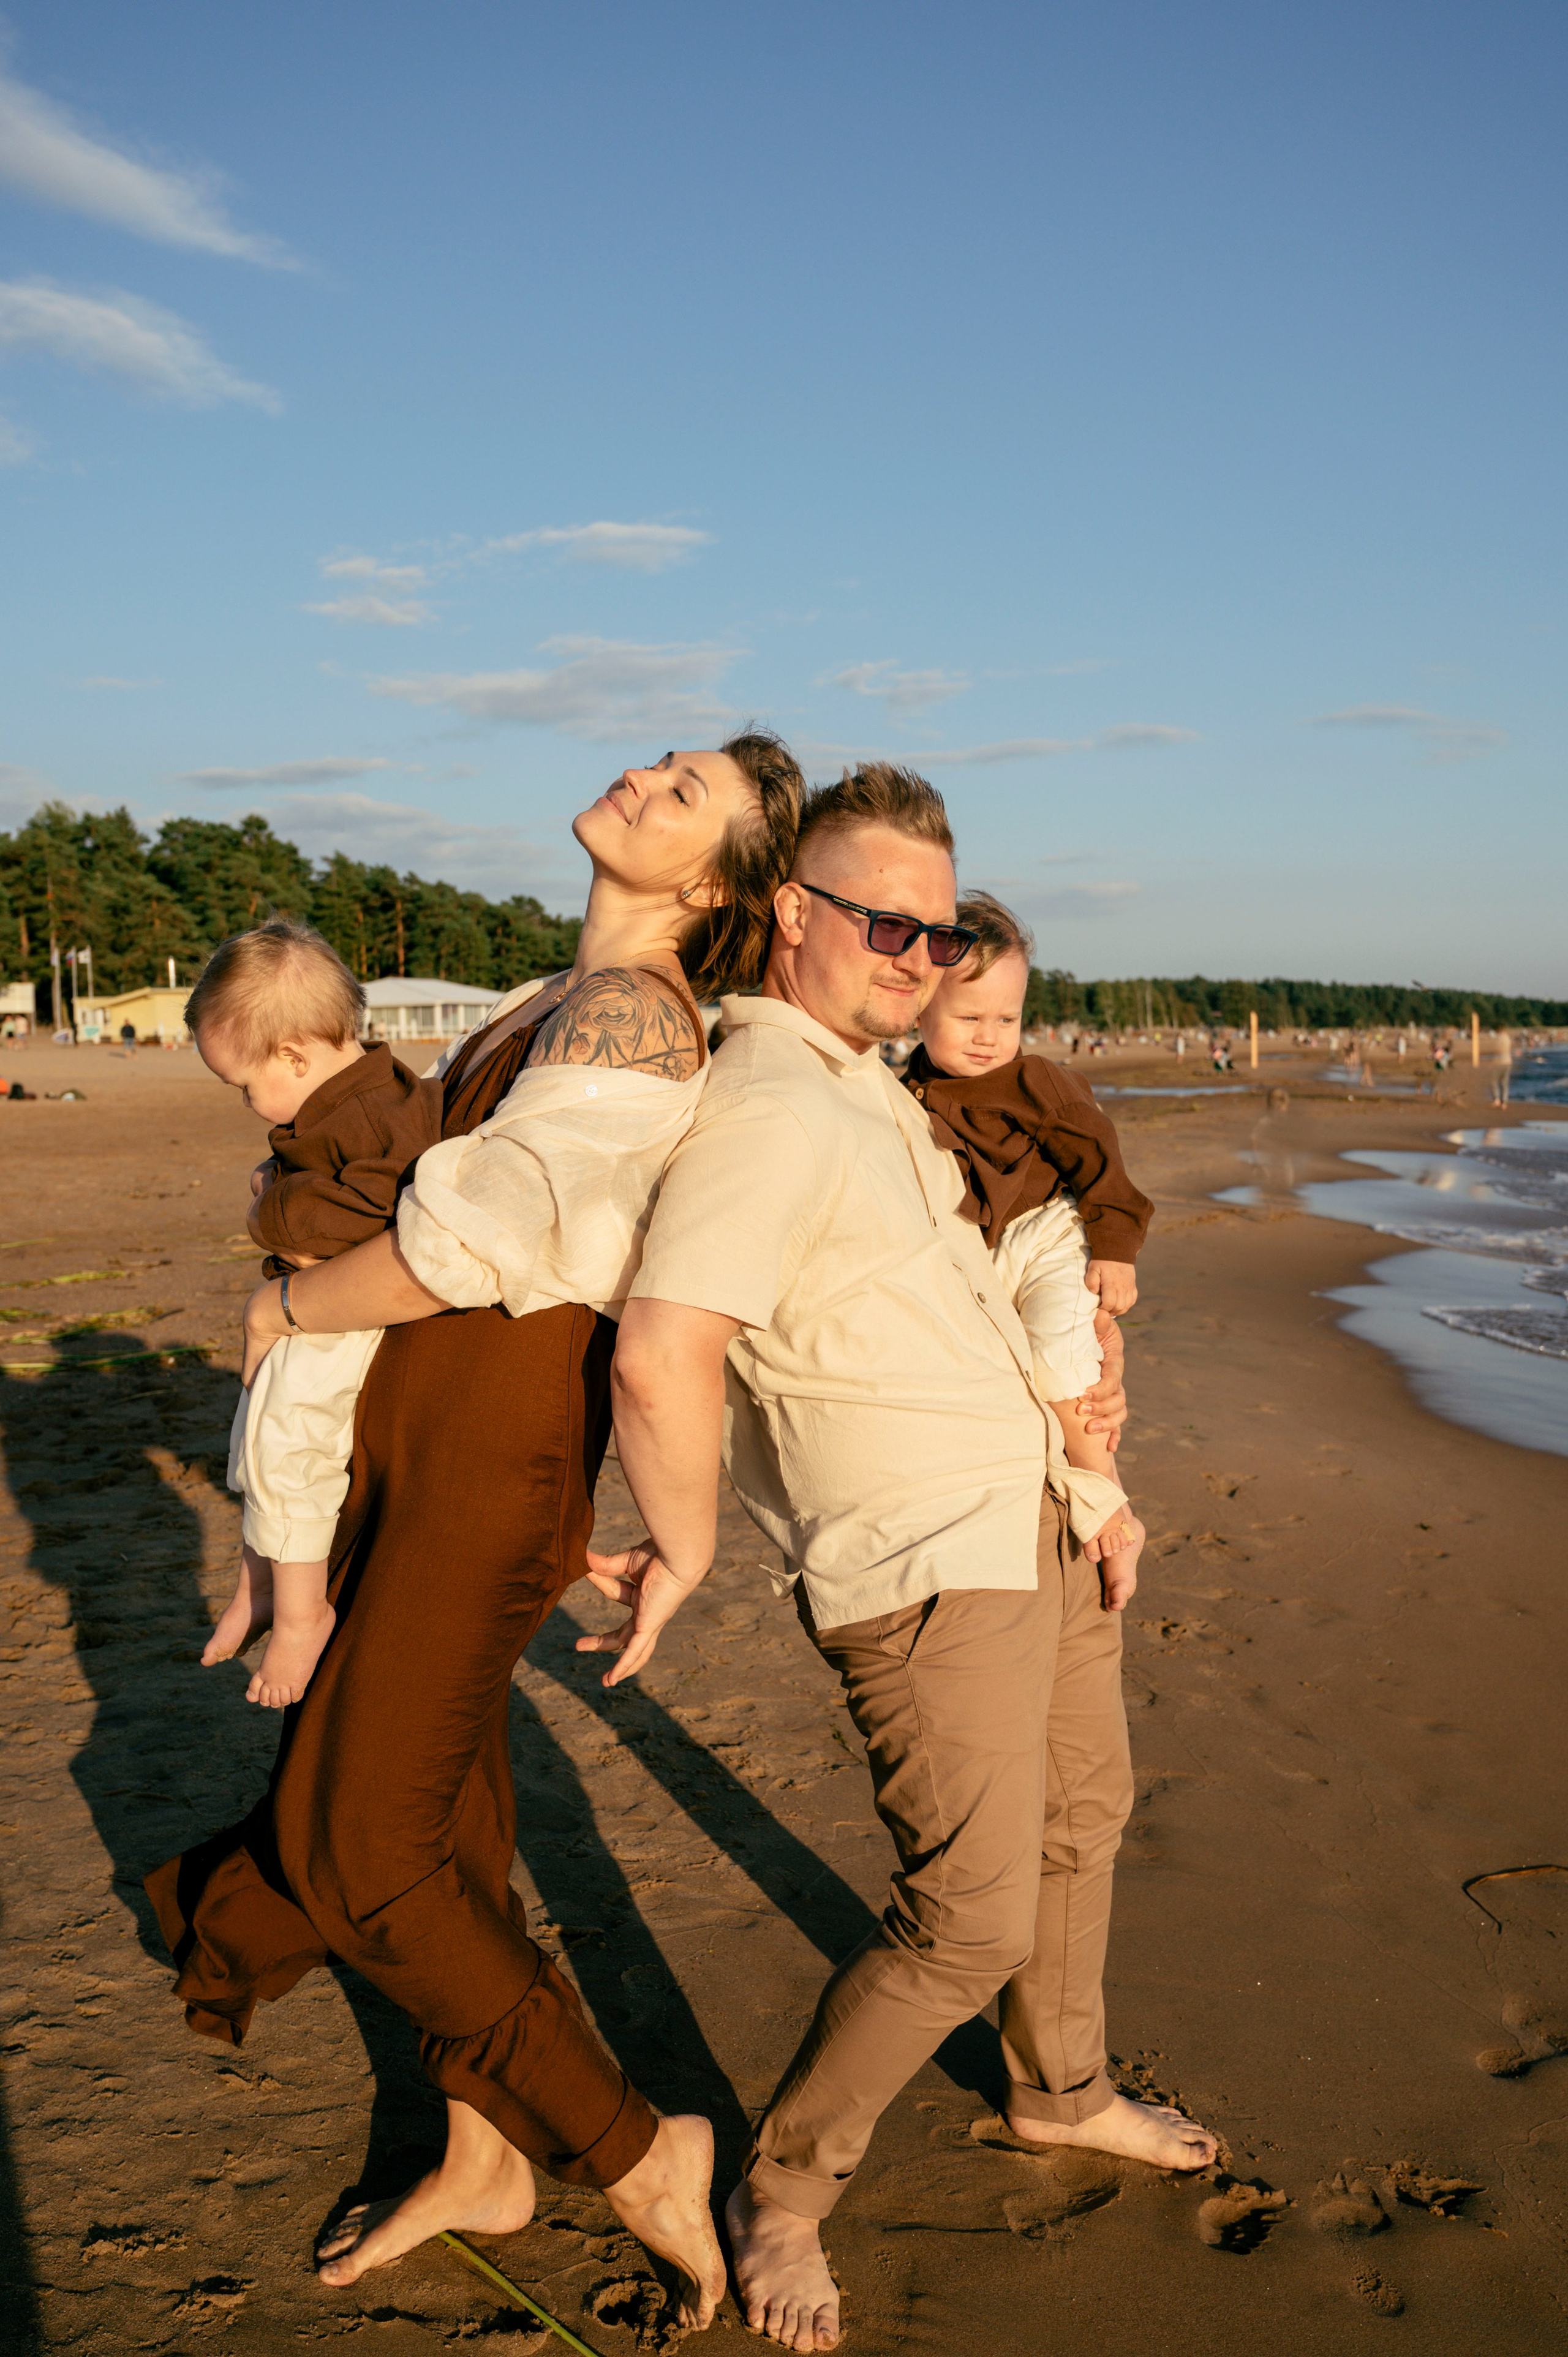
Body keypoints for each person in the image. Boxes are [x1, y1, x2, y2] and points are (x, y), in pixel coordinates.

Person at [145, 733, 804, 2328]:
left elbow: (476, 1248)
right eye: (658, 759)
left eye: (683, 795)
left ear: (710, 887)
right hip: (436, 1460)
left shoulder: (635, 1013)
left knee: (362, 1853)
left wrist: (288, 1304)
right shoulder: (551, 999)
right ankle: (483, 2157)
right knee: (449, 1834)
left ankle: (633, 2147)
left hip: (477, 1473)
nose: (644, 777)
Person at [595, 765, 1216, 2354]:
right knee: (968, 1918)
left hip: (1029, 1511)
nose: (920, 958)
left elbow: (975, 1298)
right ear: (790, 913)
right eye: (887, 923)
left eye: (939, 934)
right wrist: (684, 1542)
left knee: (1083, 1816)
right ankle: (781, 2192)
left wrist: (1091, 1468)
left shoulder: (864, 1086)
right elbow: (664, 1343)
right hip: (922, 1561)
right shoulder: (772, 1099)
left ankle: (1059, 2089)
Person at [187, 920, 442, 1708]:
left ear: (295, 1056)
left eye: (244, 1084)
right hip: (324, 1305)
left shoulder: (373, 1112)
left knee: (292, 1443)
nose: (247, 1103)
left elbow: (373, 1208)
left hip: (353, 1309)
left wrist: (270, 1204)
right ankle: (261, 1581)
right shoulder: (347, 1099)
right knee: (257, 1432)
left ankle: (305, 1614)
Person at [902, 890, 1150, 1539]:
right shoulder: (905, 1094)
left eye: (1006, 1019)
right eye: (968, 1017)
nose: (989, 1037)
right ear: (919, 1009)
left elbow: (1100, 1158)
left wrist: (1115, 1249)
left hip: (1048, 1237)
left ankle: (1107, 1497)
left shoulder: (1035, 1082)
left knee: (1060, 1360)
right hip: (983, 1258)